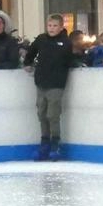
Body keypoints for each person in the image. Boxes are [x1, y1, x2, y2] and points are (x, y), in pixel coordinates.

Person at [24, 14, 75, 161]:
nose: (51, 29)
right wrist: (27, 62)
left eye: (55, 26)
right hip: (41, 82)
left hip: (56, 84)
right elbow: (31, 52)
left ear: (61, 27)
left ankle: (55, 144)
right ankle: (44, 143)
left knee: (53, 114)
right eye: (49, 26)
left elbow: (70, 59)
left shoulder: (65, 43)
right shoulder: (42, 39)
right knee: (41, 113)